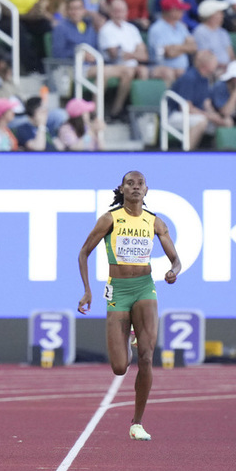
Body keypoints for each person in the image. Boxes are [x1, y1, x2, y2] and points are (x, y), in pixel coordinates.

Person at [77, 170, 181, 442]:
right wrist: (87, 291)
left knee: (147, 357)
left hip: (145, 288)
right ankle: (129, 336)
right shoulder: (110, 219)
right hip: (119, 291)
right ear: (121, 189)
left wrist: (174, 271)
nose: (135, 187)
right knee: (120, 367)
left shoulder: (155, 222)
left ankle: (137, 422)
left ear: (147, 190)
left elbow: (175, 260)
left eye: (140, 184)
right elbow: (84, 252)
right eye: (130, 184)